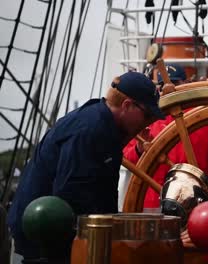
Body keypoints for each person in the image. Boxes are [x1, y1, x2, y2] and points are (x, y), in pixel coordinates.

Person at [7, 71, 164, 263]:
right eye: (147, 115)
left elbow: (103, 195)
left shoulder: (107, 127)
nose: (149, 123)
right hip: (43, 238)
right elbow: (72, 196)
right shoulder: (89, 131)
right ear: (127, 105)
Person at [123, 63, 208, 208]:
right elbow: (127, 159)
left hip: (196, 202)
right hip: (154, 204)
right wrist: (139, 149)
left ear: (186, 83)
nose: (168, 90)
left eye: (175, 83)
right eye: (162, 86)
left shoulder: (203, 115)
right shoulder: (148, 118)